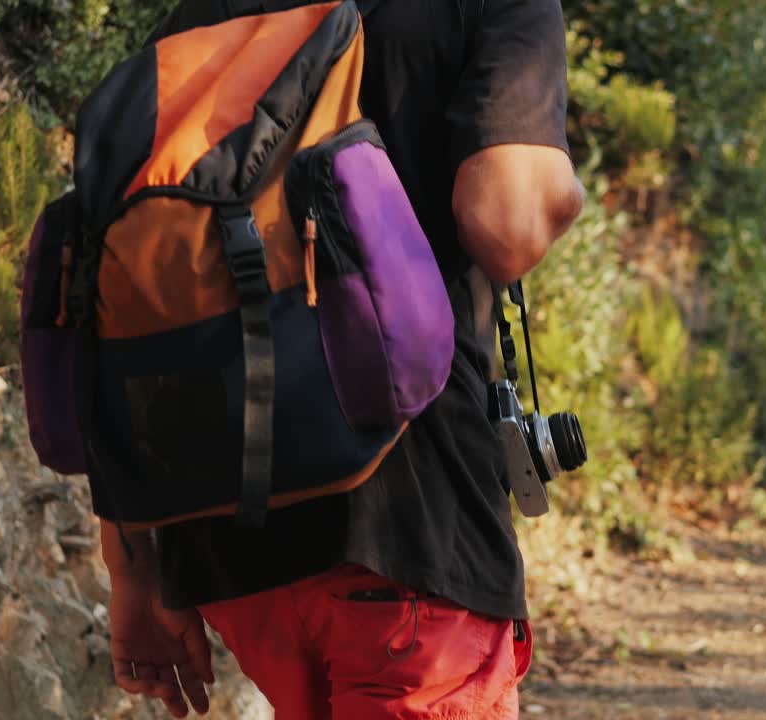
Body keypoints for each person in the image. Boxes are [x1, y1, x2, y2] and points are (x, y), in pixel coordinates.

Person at [95, 0, 585, 717]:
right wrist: (563, 192)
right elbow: (505, 223)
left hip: (234, 546)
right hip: (411, 530)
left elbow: (129, 298)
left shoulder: (198, 15)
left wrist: (131, 573)